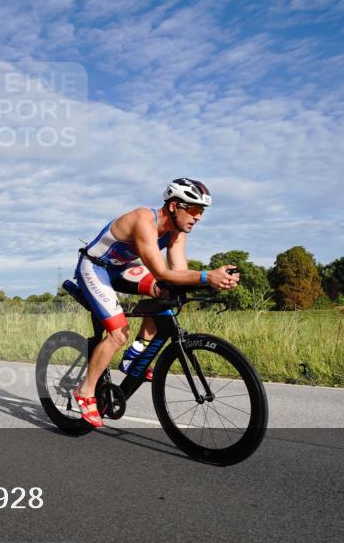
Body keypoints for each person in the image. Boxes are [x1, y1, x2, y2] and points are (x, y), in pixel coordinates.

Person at [72, 178, 240, 427]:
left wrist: (215, 280)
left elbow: (178, 275)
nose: (198, 217)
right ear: (174, 206)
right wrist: (206, 275)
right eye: (193, 209)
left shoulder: (177, 233)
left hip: (122, 268)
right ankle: (85, 391)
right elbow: (162, 271)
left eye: (201, 211)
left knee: (166, 293)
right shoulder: (144, 220)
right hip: (96, 268)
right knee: (118, 333)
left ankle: (136, 353)